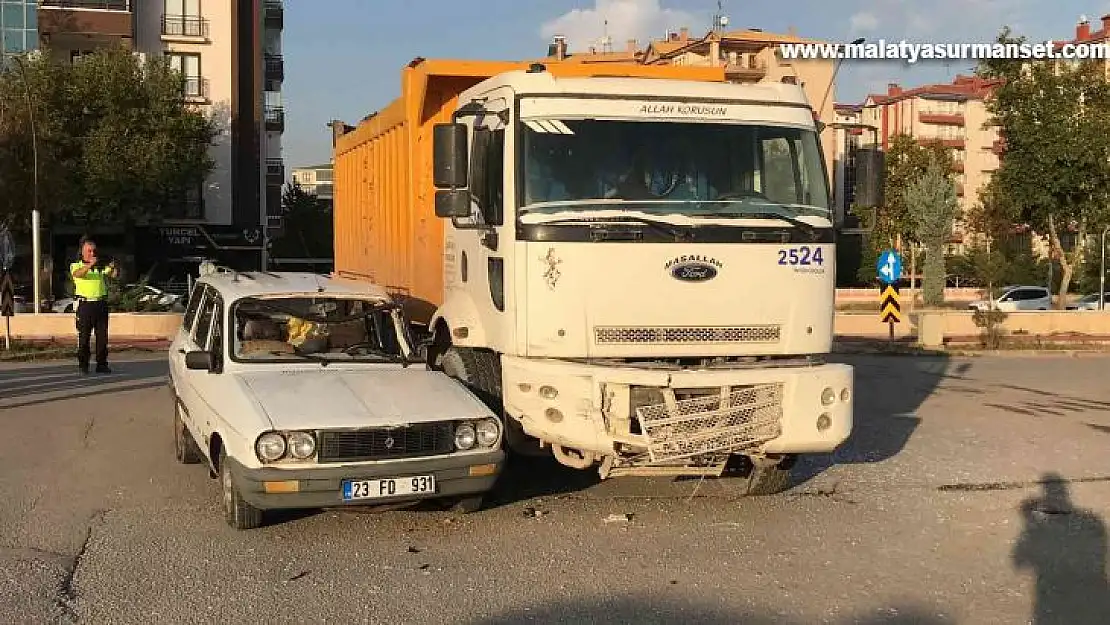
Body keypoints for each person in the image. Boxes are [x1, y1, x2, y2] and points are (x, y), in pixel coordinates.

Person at [70, 237, 118, 374]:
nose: (92, 253)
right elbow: (78, 274)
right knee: (84, 336)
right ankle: (83, 364)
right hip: (85, 305)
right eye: (89, 251)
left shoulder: (99, 267)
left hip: (100, 304)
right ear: (83, 252)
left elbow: (113, 274)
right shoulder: (77, 265)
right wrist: (89, 265)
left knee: (102, 336)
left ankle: (102, 364)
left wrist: (113, 267)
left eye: (94, 251)